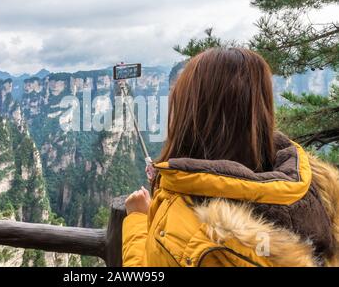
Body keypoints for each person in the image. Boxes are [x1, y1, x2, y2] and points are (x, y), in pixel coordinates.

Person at [122, 48, 339, 267]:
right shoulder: (319, 193)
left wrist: (137, 219)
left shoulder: (207, 236)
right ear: (260, 111)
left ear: (190, 114)